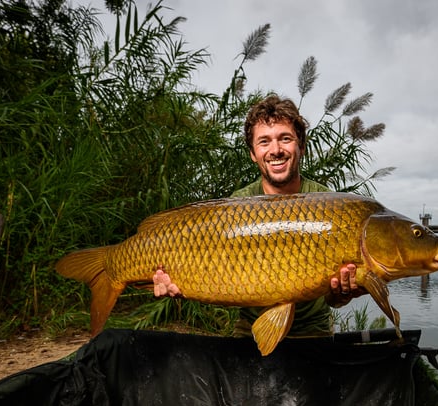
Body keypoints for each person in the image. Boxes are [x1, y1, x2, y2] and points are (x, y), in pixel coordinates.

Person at [153, 94, 364, 337]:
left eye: (285, 138)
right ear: (253, 153)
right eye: (264, 142)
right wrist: (179, 283)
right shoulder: (236, 205)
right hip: (250, 330)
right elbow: (216, 279)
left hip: (312, 331)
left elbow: (334, 300)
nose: (276, 150)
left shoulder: (329, 205)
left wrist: (343, 294)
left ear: (301, 146)